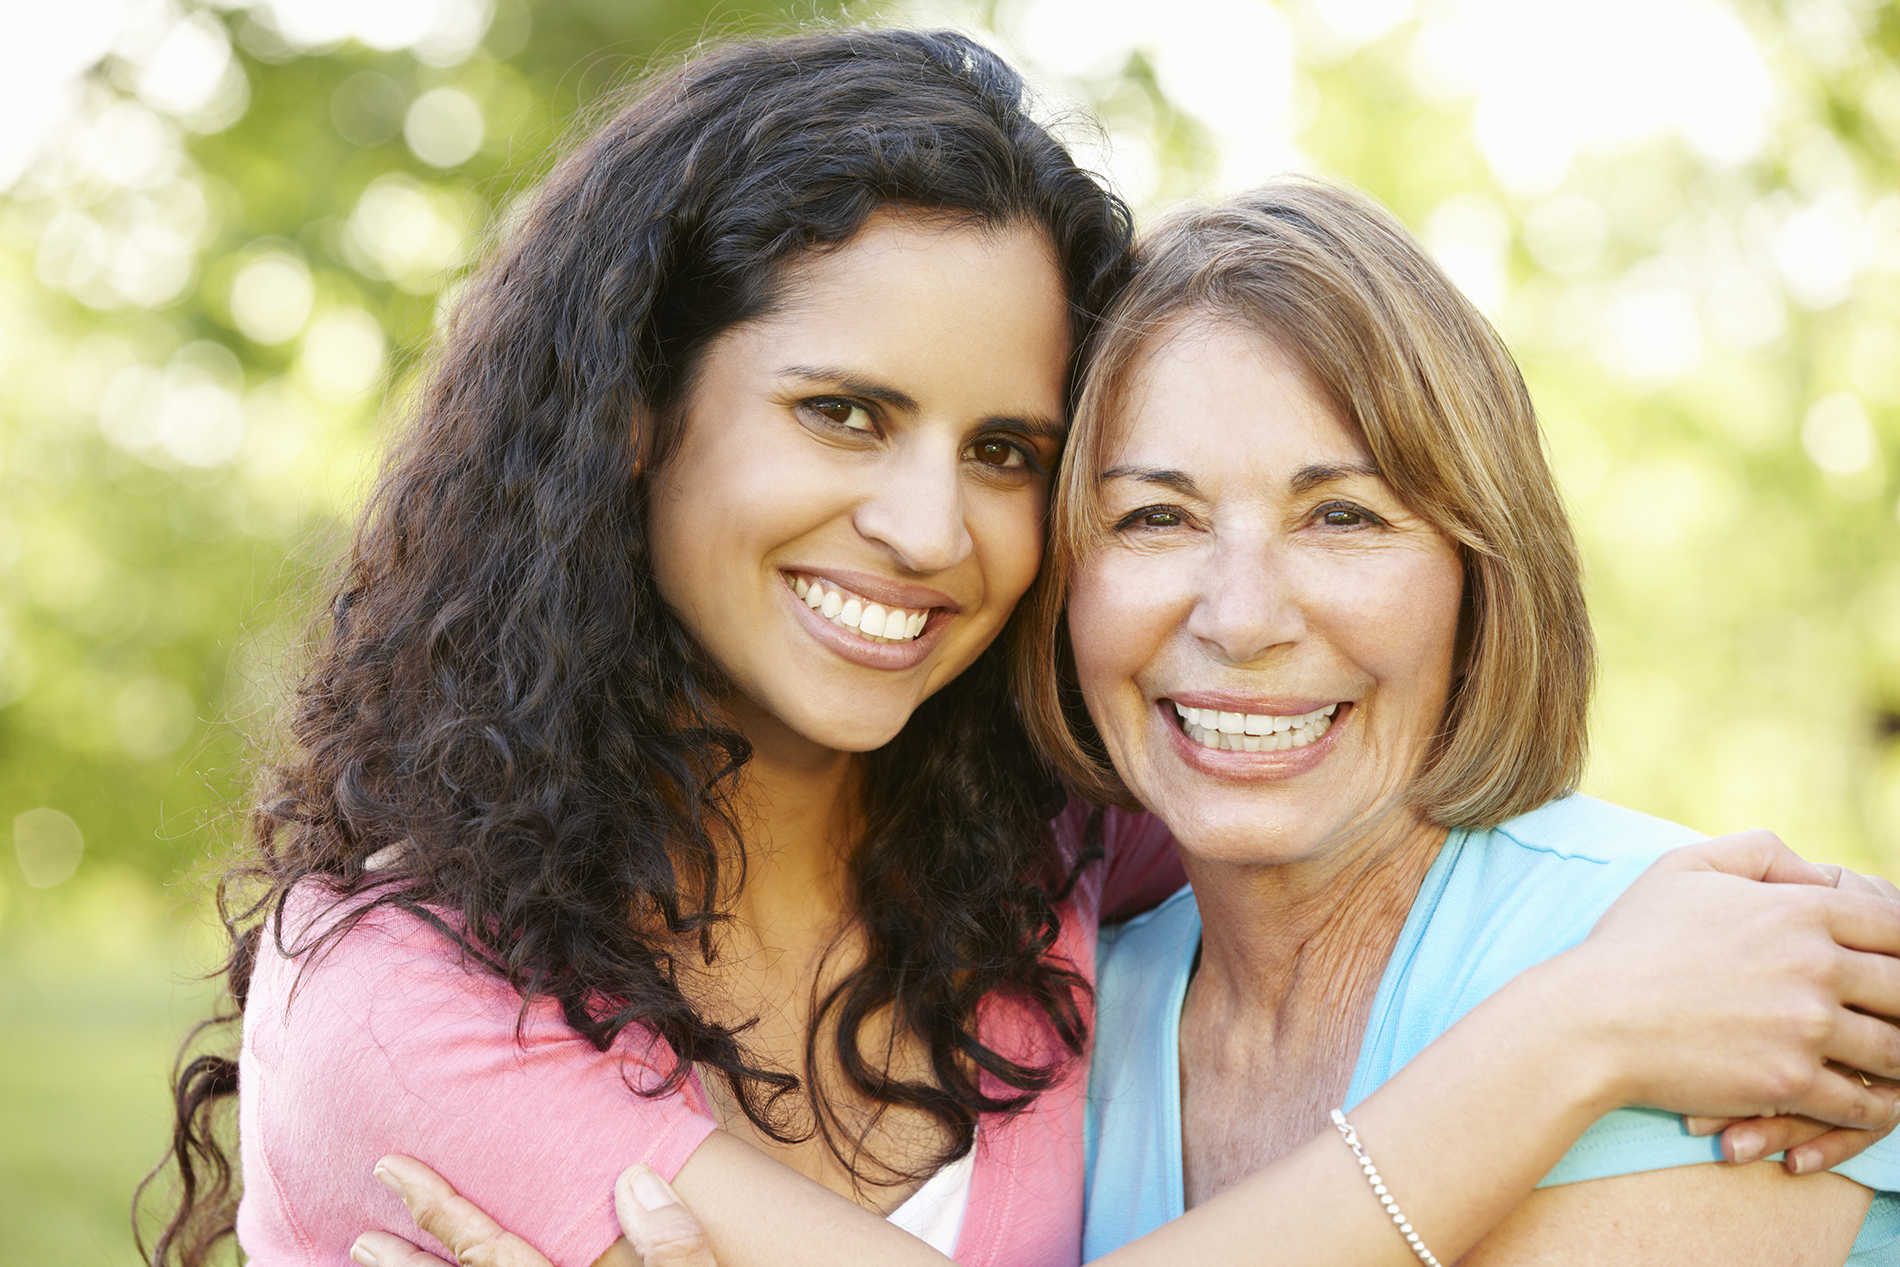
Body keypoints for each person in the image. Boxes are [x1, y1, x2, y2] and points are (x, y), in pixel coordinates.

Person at [142, 28, 1900, 1267]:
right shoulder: (396, 995)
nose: (931, 528)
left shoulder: (1043, 871)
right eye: (844, 412)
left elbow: (1353, 820)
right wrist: (1574, 1034)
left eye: (1007, 453)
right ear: (631, 416)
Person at [1025, 179, 1900, 1264]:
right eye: (1154, 516)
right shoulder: (1070, 1011)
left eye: (1341, 515)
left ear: (1476, 573)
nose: (1241, 618)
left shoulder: (1710, 973)